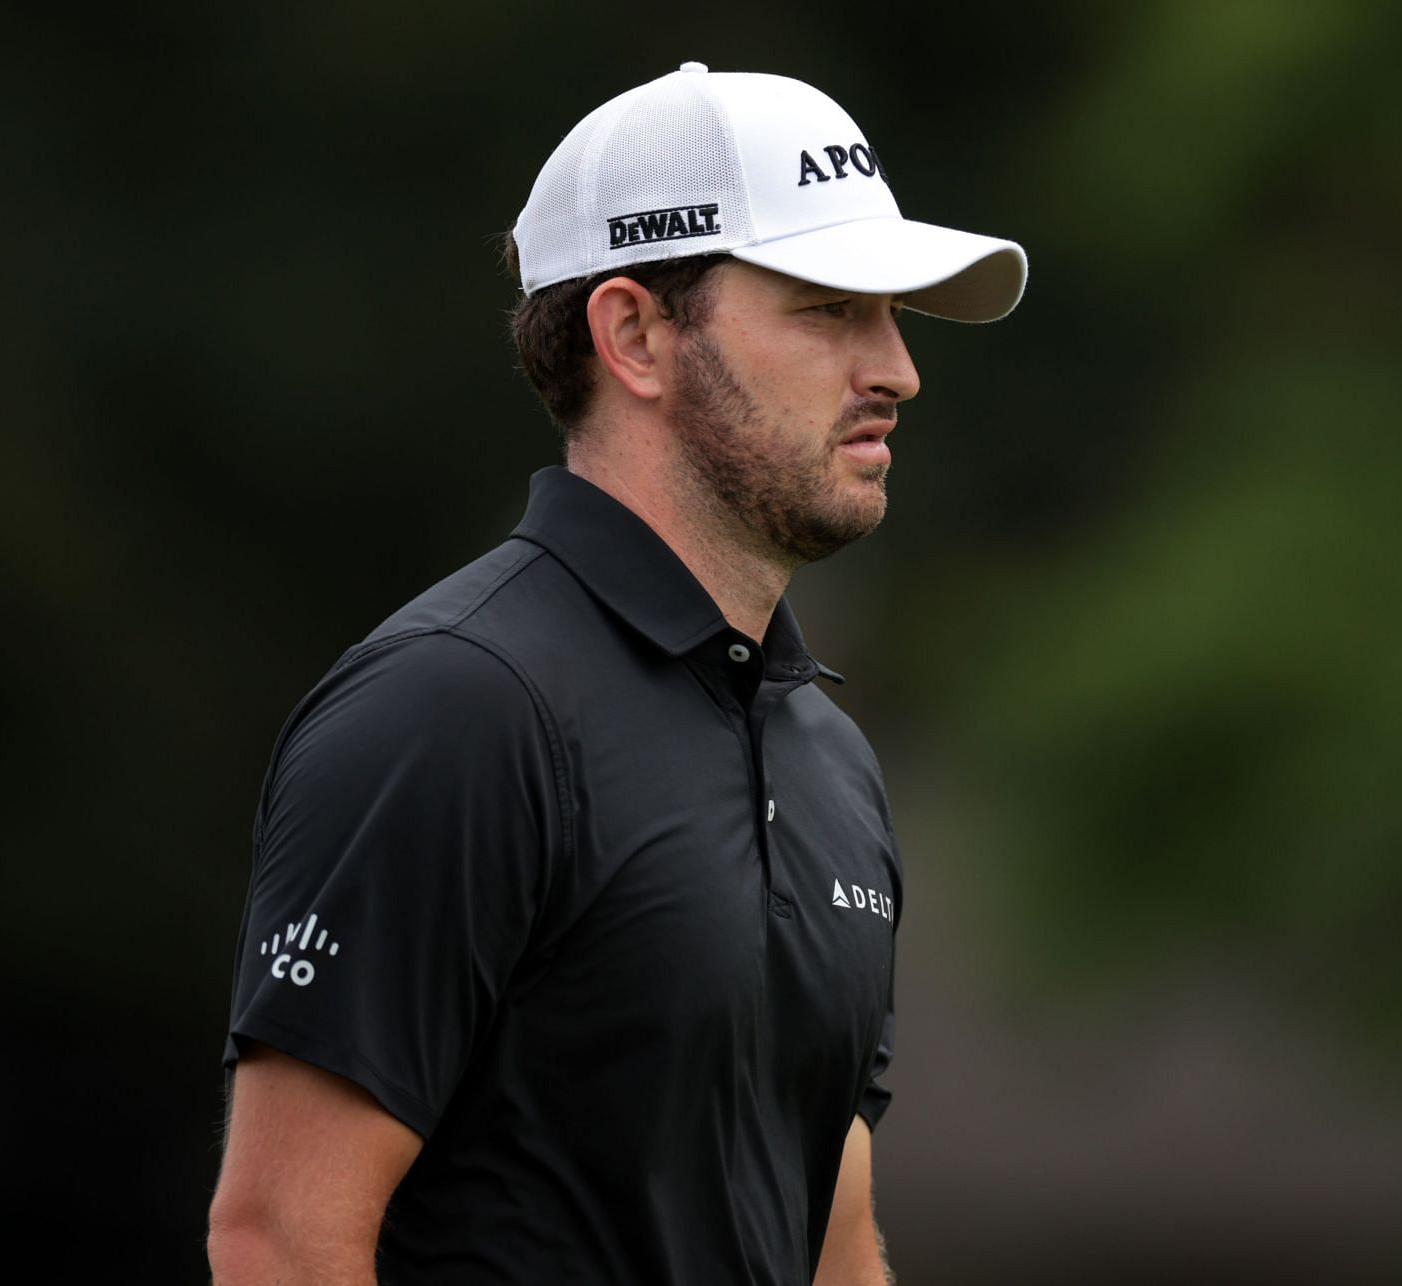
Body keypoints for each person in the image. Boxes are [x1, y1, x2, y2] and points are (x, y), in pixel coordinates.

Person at [206, 61, 1026, 1285]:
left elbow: (831, 1230)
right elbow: (281, 1237)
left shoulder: (827, 756)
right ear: (634, 334)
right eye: (825, 307)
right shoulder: (452, 707)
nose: (897, 370)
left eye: (892, 313)